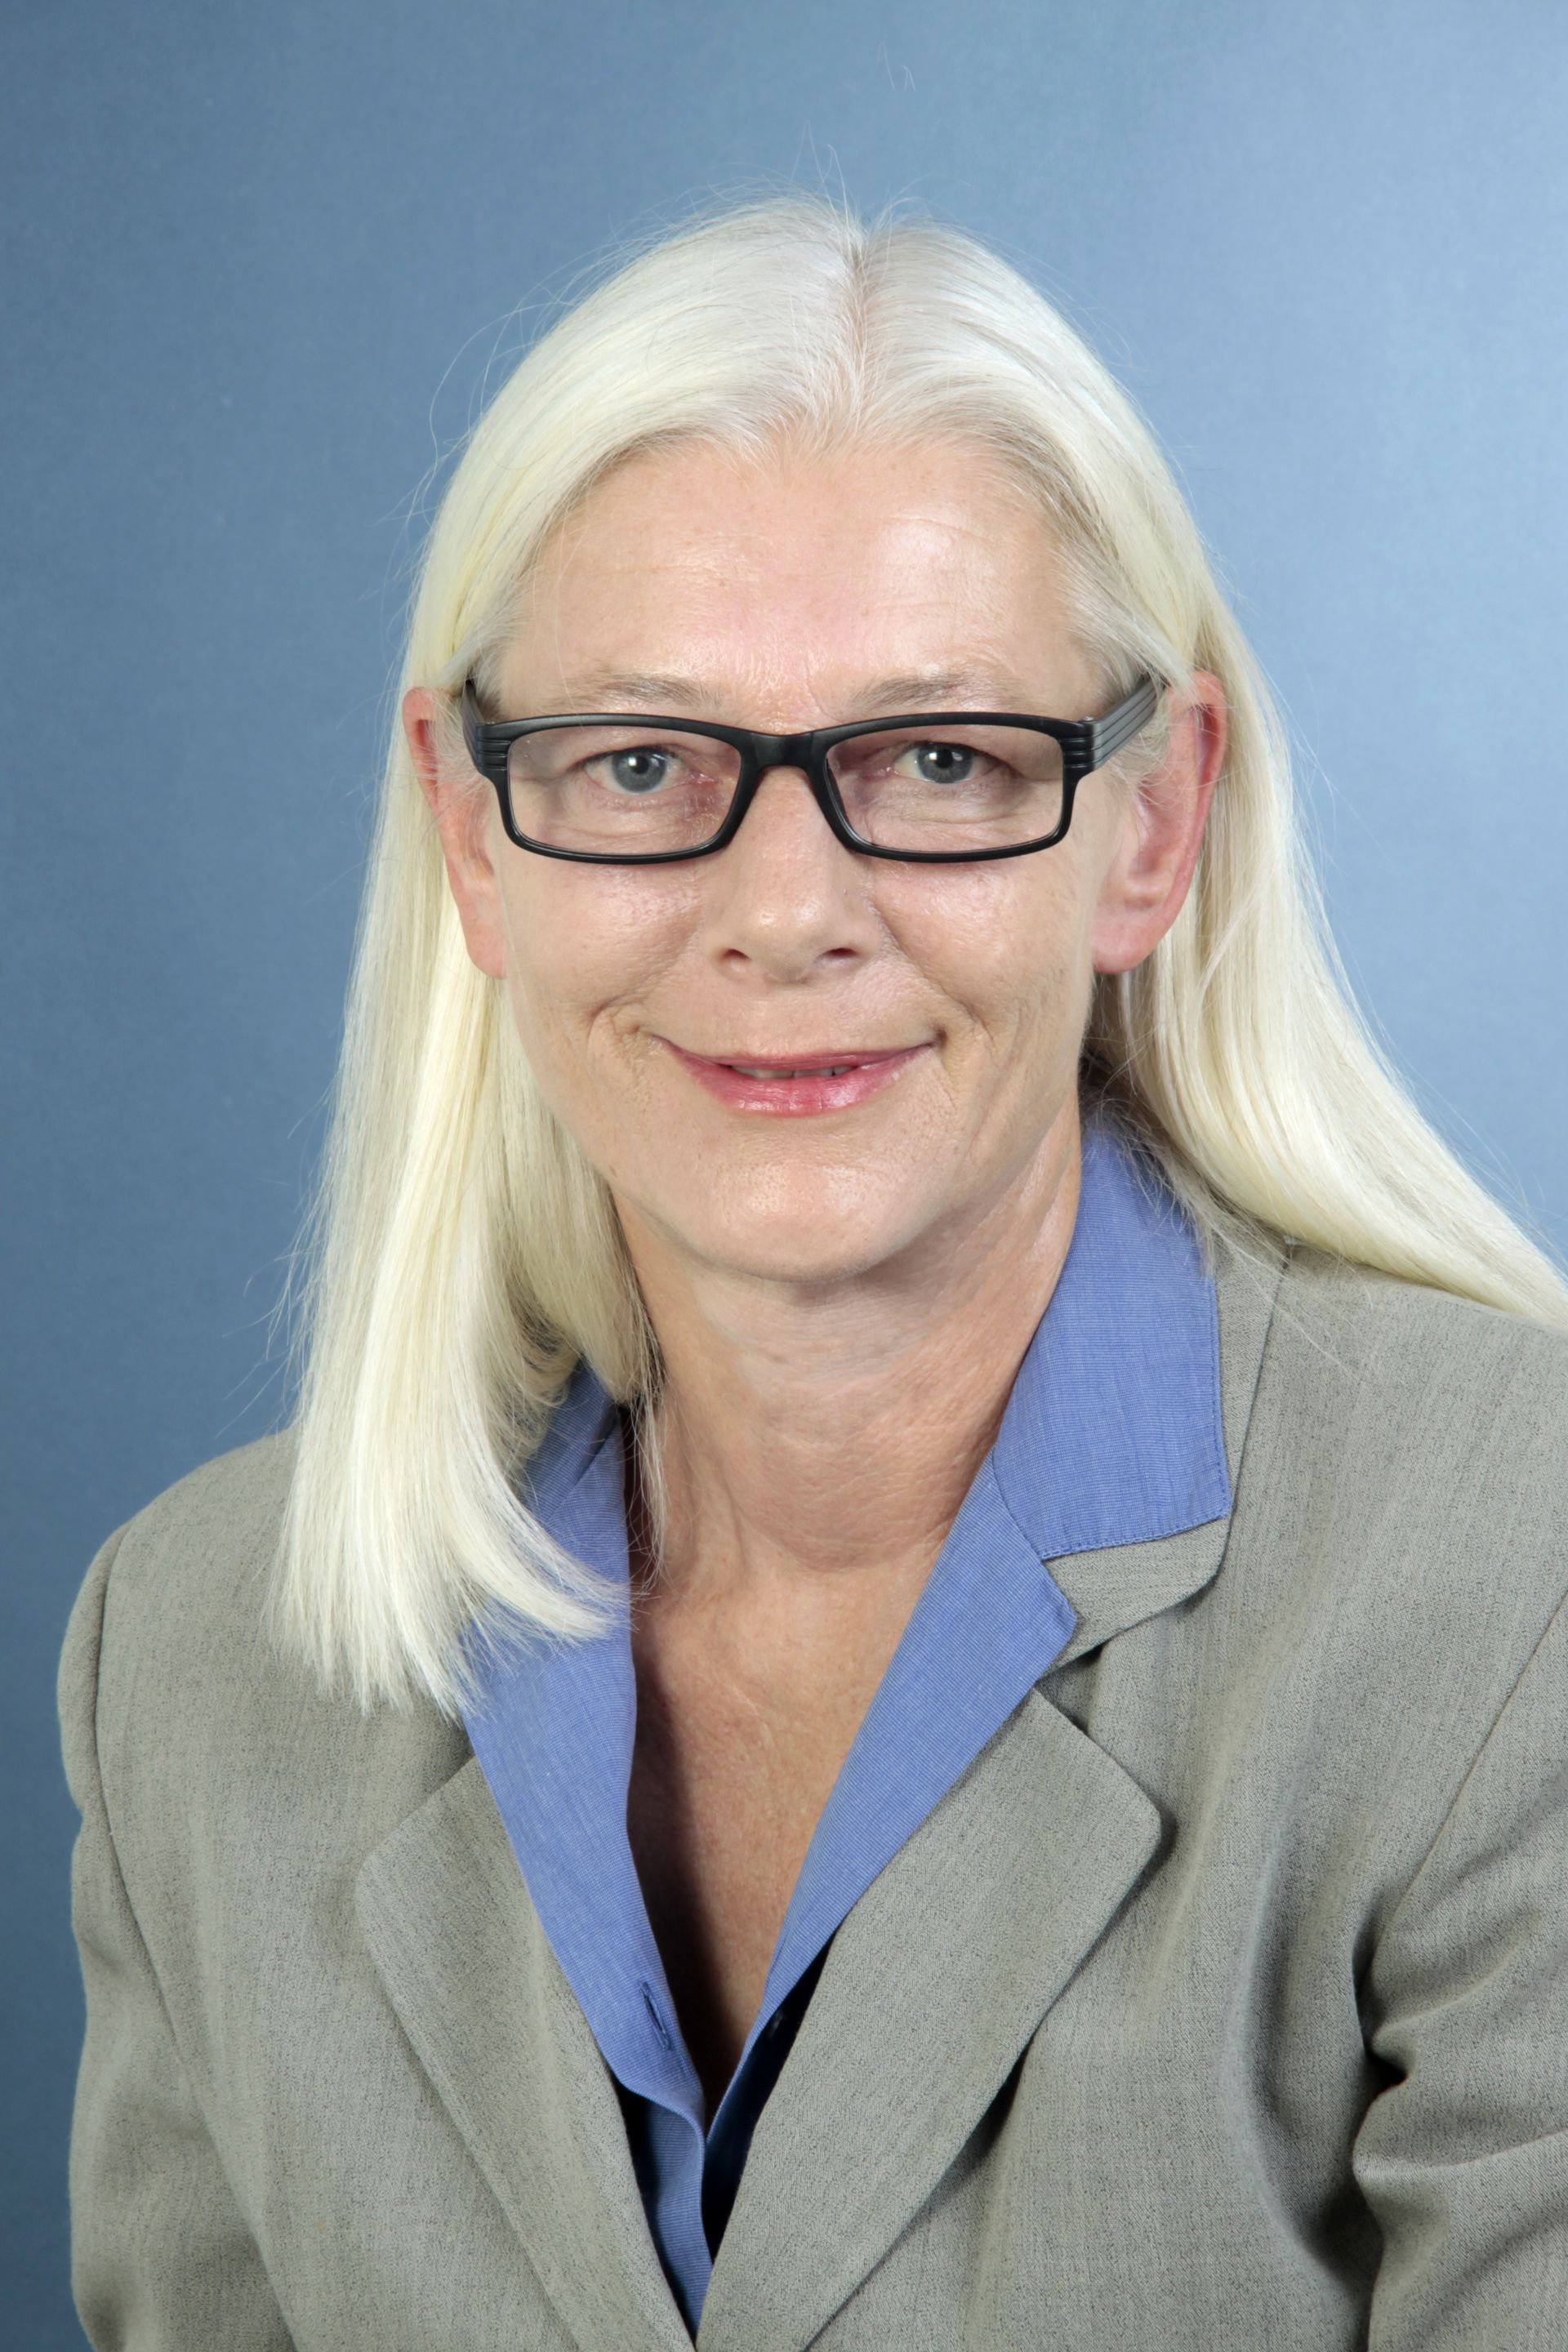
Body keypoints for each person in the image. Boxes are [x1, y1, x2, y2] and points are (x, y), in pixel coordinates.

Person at [60, 195, 1568, 2351]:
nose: (786, 909)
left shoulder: (1522, 1576)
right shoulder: (196, 1668)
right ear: (474, 837)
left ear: (1150, 829)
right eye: (645, 763)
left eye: (938, 760)